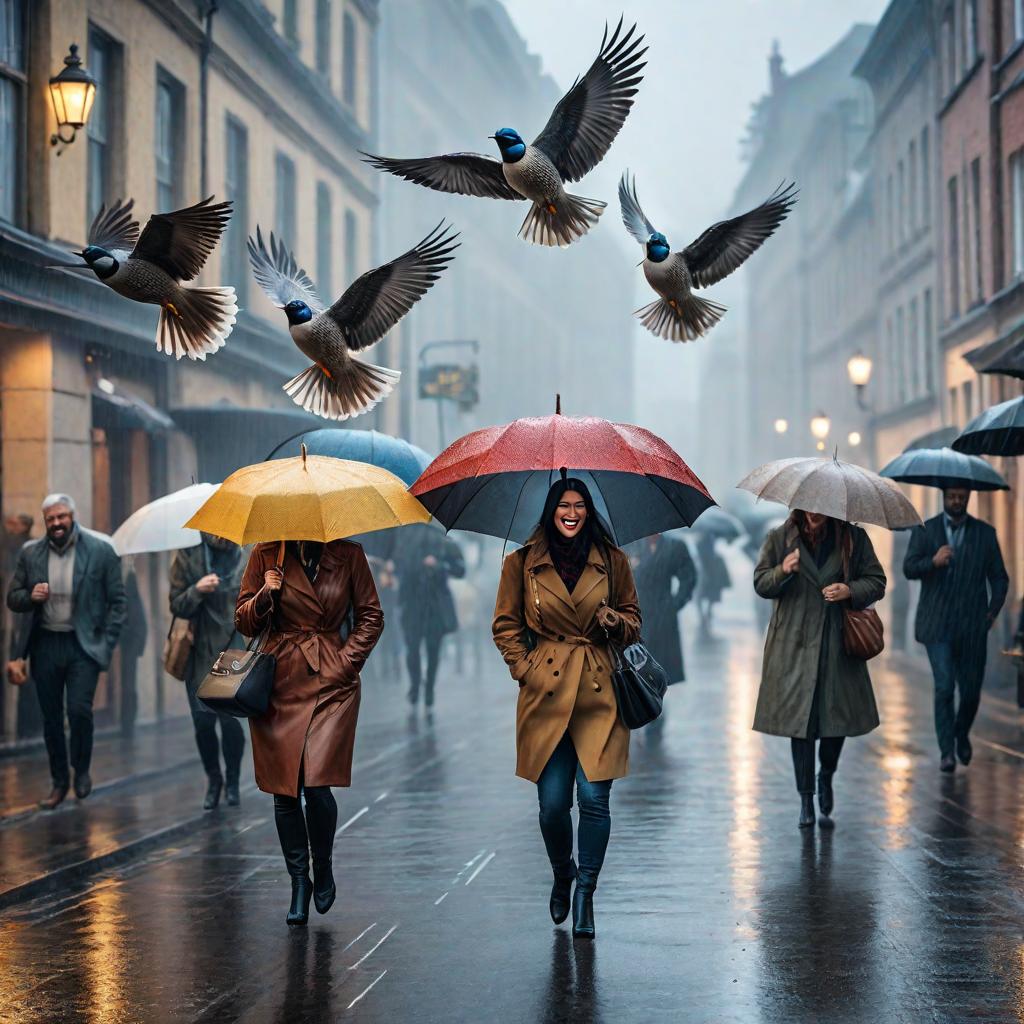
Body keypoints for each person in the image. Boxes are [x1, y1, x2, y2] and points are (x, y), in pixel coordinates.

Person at [492, 476, 641, 938]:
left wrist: (615, 621)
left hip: (600, 690)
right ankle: (563, 872)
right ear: (551, 510)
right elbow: (505, 626)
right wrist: (527, 668)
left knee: (594, 800)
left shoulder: (613, 562)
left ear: (589, 511)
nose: (571, 512)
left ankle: (585, 895)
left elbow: (635, 623)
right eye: (563, 505)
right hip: (547, 692)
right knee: (553, 807)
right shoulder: (521, 564)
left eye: (579, 505)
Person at [235, 537, 383, 927]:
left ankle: (324, 865)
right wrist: (266, 593)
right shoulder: (265, 555)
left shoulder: (349, 554)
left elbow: (371, 615)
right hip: (279, 682)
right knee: (285, 790)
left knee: (317, 785)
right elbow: (243, 621)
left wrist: (345, 662)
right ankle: (299, 882)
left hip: (331, 682)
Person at [753, 510, 886, 828]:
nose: (813, 509)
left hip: (836, 644)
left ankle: (826, 774)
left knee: (835, 720)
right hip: (793, 644)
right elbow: (761, 582)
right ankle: (805, 799)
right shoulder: (779, 538)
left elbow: (877, 581)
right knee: (801, 725)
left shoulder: (852, 538)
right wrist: (782, 570)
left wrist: (849, 590)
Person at [6, 494, 126, 809]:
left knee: (79, 710)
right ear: (44, 520)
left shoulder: (100, 549)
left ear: (72, 515)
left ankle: (82, 770)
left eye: (62, 516)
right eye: (50, 518)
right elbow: (13, 597)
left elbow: (118, 603)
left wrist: (106, 644)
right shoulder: (31, 553)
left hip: (82, 645)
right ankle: (59, 782)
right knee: (51, 719)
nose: (57, 523)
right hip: (45, 643)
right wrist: (30, 595)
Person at [903, 487, 1008, 772]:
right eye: (952, 496)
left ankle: (961, 733)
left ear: (969, 497)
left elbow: (999, 577)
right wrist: (933, 562)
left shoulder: (985, 534)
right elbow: (909, 567)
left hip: (973, 626)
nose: (957, 500)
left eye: (962, 496)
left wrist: (991, 612)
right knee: (945, 686)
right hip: (937, 625)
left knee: (972, 691)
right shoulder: (926, 530)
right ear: (944, 496)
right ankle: (946, 751)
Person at [169, 533, 247, 810]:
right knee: (203, 722)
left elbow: (256, 604)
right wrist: (197, 589)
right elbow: (176, 603)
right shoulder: (188, 554)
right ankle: (214, 779)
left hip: (232, 646)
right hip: (198, 646)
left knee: (229, 720)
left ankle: (234, 780)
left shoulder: (244, 554)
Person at [394, 523, 465, 709]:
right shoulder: (404, 535)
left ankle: (429, 688)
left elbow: (460, 569)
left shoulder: (442, 539)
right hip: (413, 601)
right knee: (413, 648)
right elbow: (400, 566)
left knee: (433, 649)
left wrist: (439, 565)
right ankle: (416, 685)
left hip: (434, 604)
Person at [627, 533, 696, 685]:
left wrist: (675, 604)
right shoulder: (631, 547)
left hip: (664, 613)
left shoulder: (675, 547)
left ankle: (657, 694)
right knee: (638, 664)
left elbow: (688, 577)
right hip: (638, 614)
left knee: (662, 664)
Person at [119, 558, 148, 738]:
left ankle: (127, 724)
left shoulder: (129, 576)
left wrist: (138, 642)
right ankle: (127, 724)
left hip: (127, 638)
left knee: (128, 685)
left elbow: (136, 612)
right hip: (117, 636)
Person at [695, 532, 731, 638]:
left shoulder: (706, 540)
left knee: (704, 596)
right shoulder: (706, 541)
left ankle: (705, 616)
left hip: (708, 571)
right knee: (703, 596)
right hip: (707, 571)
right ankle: (705, 615)